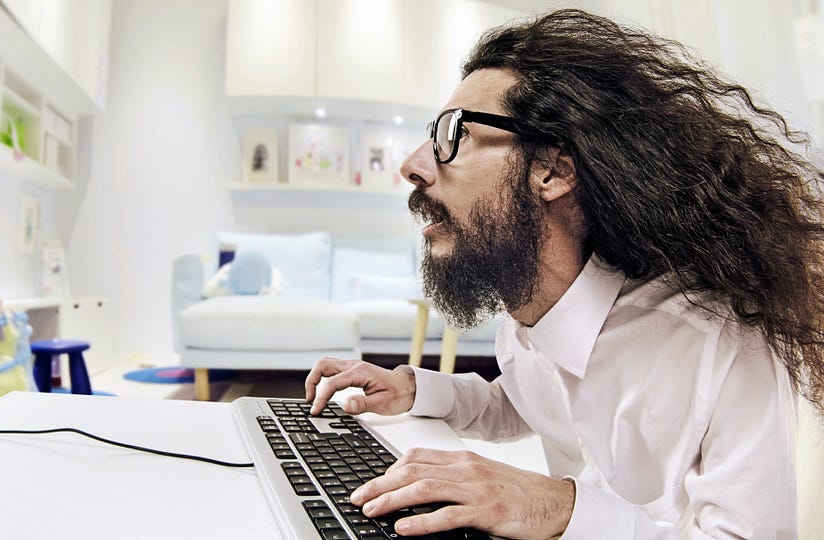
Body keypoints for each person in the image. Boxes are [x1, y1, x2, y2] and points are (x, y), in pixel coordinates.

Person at [305, 9, 824, 540]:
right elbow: (527, 401)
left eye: (452, 135)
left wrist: (558, 506)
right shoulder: (530, 308)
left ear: (551, 171)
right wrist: (415, 389)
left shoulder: (721, 342)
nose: (412, 165)